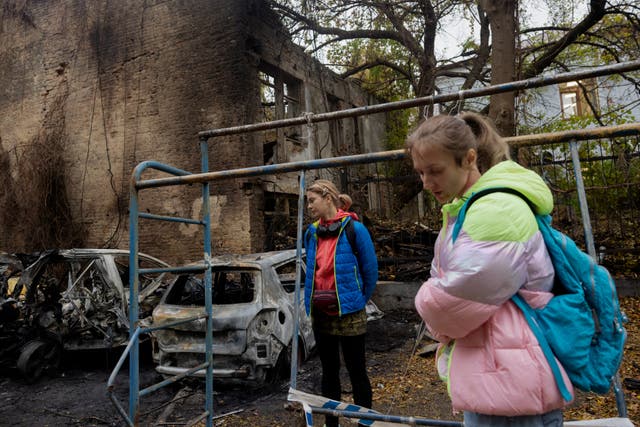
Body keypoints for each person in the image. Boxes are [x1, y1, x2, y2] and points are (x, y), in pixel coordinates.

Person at [408, 113, 573, 426]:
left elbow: (453, 298)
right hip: (502, 376)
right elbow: (447, 280)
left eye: (435, 171)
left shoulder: (495, 210)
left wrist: (429, 305)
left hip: (512, 387)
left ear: (469, 159)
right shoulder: (466, 209)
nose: (427, 183)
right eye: (420, 172)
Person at [303, 179, 378, 427]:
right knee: (329, 373)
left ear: (328, 198)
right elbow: (312, 269)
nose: (308, 206)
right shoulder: (312, 233)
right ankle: (331, 424)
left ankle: (364, 424)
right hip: (322, 314)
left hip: (350, 314)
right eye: (307, 201)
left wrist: (357, 300)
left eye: (311, 201)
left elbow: (370, 272)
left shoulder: (355, 229)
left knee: (357, 372)